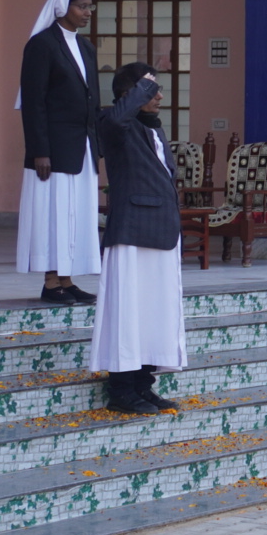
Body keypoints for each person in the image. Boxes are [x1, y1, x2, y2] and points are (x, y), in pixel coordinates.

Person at [89, 64, 187, 414]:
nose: (159, 96)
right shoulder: (114, 124)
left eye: (157, 89)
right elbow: (116, 120)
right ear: (129, 94)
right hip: (131, 233)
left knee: (154, 314)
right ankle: (121, 390)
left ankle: (143, 385)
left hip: (161, 232)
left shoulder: (152, 129)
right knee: (128, 314)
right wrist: (139, 90)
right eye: (150, 90)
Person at [17, 0, 103, 305]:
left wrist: (98, 145)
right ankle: (51, 283)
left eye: (90, 6)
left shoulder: (86, 48)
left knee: (76, 215)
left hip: (83, 148)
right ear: (63, 7)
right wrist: (40, 150)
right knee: (54, 215)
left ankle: (67, 279)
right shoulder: (42, 45)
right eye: (82, 6)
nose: (88, 12)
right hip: (53, 150)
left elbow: (93, 101)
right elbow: (34, 102)